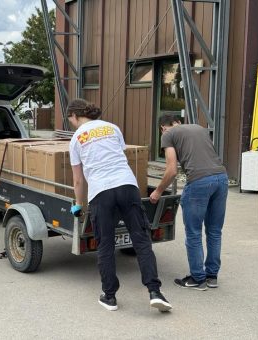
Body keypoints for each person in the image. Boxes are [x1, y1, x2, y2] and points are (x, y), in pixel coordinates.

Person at [67, 98, 172, 312]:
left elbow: (78, 180)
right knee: (141, 240)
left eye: (70, 119)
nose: (71, 123)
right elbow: (118, 157)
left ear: (75, 116)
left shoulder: (76, 138)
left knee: (105, 245)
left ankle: (109, 296)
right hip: (127, 186)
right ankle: (155, 292)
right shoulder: (112, 128)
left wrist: (78, 205)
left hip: (101, 193)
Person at [150, 114, 228, 290]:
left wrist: (158, 191)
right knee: (215, 231)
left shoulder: (168, 135)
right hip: (221, 178)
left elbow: (171, 170)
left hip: (199, 182)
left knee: (193, 232)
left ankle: (197, 279)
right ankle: (211, 276)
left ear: (163, 127)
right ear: (179, 122)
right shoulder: (200, 129)